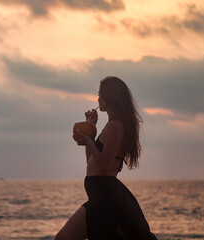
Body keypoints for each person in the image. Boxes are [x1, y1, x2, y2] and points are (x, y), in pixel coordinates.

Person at [55, 76, 157, 240]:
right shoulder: (112, 125)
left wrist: (89, 141)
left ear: (108, 97)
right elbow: (92, 163)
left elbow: (104, 164)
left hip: (105, 196)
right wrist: (90, 130)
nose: (98, 99)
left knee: (64, 238)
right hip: (99, 195)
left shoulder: (116, 126)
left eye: (100, 94)